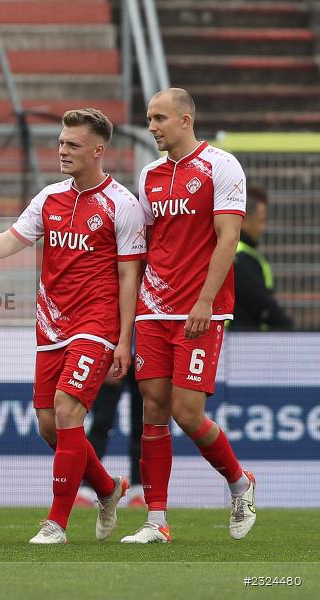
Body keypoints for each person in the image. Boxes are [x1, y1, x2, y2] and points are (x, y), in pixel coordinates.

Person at [0, 108, 147, 544]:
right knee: (48, 425)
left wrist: (124, 340)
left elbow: (130, 275)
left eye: (72, 145)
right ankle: (108, 489)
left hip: (97, 323)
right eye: (60, 142)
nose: (62, 151)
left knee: (68, 408)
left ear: (98, 150)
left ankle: (56, 523)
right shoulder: (49, 197)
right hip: (51, 324)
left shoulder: (122, 205)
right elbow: (12, 239)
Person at [120, 88, 256, 544]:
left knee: (188, 412)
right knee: (152, 409)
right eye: (149, 118)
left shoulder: (221, 165)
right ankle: (156, 520)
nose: (152, 126)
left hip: (202, 310)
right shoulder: (150, 175)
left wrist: (204, 300)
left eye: (159, 118)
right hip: (153, 309)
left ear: (185, 119)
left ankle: (239, 482)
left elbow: (227, 238)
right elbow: (148, 244)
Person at [75, 368, 145, 507]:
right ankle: (87, 489)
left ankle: (138, 491)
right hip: (114, 355)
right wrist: (109, 355)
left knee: (143, 426)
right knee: (100, 422)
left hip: (146, 355)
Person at [230, 186, 293, 331]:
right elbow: (260, 302)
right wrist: (287, 325)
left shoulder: (245, 252)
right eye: (260, 221)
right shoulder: (239, 256)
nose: (263, 227)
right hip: (241, 340)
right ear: (244, 220)